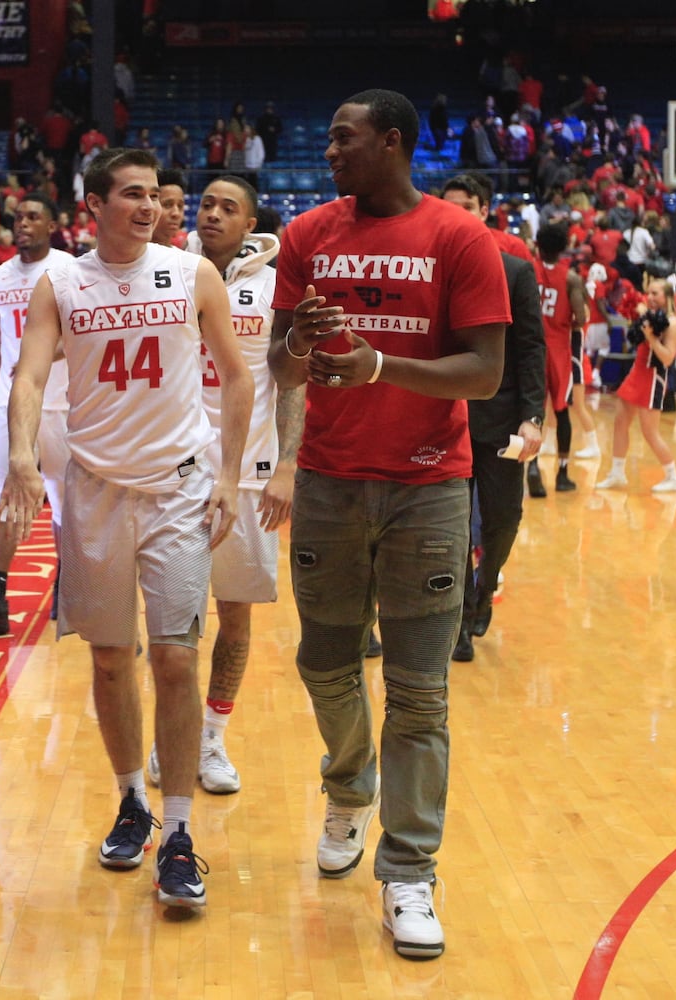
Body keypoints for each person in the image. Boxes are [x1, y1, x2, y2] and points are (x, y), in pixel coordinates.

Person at [267, 89, 508, 960]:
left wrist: (377, 364)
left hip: (428, 489)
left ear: (393, 143)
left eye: (344, 137)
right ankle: (349, 785)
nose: (328, 150)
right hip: (329, 482)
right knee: (324, 664)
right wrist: (306, 341)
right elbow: (282, 372)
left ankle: (409, 871)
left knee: (419, 690)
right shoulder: (305, 236)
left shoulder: (458, 237)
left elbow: (482, 375)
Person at [0, 147, 252, 912]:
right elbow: (31, 375)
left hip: (178, 491)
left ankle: (178, 834)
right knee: (111, 662)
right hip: (94, 494)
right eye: (132, 195)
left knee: (176, 660)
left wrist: (233, 478)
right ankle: (131, 802)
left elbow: (237, 377)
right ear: (97, 205)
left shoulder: (191, 273)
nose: (150, 206)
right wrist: (19, 456)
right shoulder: (62, 281)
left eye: (154, 195)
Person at [142, 174, 291, 795]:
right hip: (177, 473)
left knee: (233, 615)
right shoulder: (168, 270)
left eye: (229, 208)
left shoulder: (278, 282)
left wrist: (288, 464)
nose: (212, 214)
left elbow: (296, 376)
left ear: (250, 221)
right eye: (206, 204)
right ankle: (169, 735)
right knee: (174, 622)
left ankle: (211, 737)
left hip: (252, 470)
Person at [0, 192, 71, 634]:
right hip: (16, 406)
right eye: (18, 217)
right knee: (9, 501)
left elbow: (87, 335)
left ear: (52, 225)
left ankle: (67, 592)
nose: (23, 223)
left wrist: (45, 357)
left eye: (33, 217)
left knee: (70, 506)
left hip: (66, 405)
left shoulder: (73, 269)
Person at [451, 244, 546, 663]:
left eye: (468, 207)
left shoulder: (516, 272)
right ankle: (460, 619)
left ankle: (486, 587)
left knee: (504, 518)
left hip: (503, 421)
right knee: (449, 528)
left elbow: (531, 348)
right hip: (445, 417)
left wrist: (533, 417)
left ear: (484, 212)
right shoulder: (436, 266)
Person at [595, 277, 676, 493]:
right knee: (620, 421)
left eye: (655, 294)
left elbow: (667, 358)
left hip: (653, 376)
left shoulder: (672, 323)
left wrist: (651, 338)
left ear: (667, 297)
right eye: (649, 293)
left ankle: (673, 477)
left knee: (649, 432)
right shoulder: (652, 317)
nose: (650, 298)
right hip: (637, 371)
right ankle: (617, 473)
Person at [530, 222, 591, 495]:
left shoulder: (527, 270)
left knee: (533, 412)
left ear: (538, 245)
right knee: (561, 411)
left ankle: (531, 465)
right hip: (557, 350)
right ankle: (563, 473)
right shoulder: (571, 278)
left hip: (531, 348)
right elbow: (581, 318)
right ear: (564, 248)